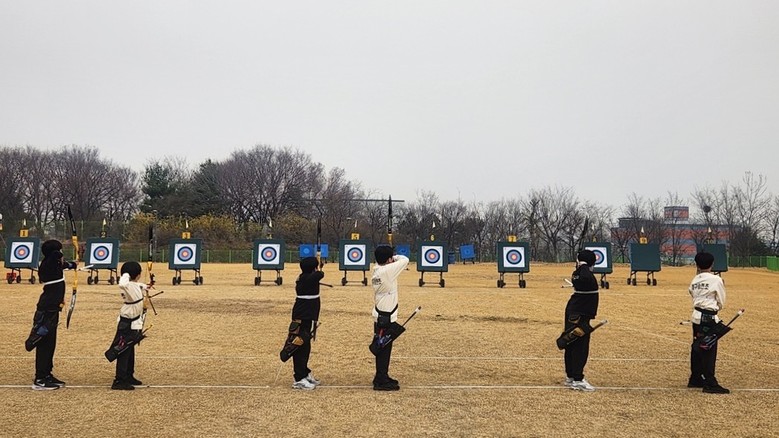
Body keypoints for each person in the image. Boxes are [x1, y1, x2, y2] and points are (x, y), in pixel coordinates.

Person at [25, 239, 77, 390]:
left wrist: (72, 265)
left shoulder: (53, 265)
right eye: (60, 251)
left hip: (52, 310)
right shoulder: (49, 263)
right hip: (47, 311)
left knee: (50, 344)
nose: (62, 254)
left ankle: (47, 374)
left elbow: (63, 264)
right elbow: (57, 258)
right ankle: (40, 379)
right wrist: (60, 253)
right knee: (44, 344)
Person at [688, 252, 729, 394]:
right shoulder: (716, 280)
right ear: (712, 264)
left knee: (697, 347)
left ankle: (695, 378)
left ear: (697, 265)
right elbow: (721, 300)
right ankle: (710, 382)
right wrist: (715, 308)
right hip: (709, 318)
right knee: (708, 349)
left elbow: (691, 293)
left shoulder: (695, 280)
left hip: (696, 317)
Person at [280, 257, 324, 390]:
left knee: (305, 345)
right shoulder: (307, 278)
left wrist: (317, 265)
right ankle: (298, 378)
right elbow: (320, 274)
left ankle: (304, 373)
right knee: (299, 345)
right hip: (302, 316)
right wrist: (318, 267)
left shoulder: (307, 277)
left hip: (307, 316)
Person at [369, 245, 409, 391]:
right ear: (388, 260)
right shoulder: (387, 271)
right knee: (383, 349)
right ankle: (381, 380)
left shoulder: (378, 269)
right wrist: (394, 257)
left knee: (383, 347)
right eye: (391, 258)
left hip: (382, 316)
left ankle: (382, 376)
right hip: (385, 318)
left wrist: (389, 257)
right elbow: (405, 260)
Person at [561, 249, 599, 392]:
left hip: (577, 312)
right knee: (579, 345)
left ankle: (571, 376)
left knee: (572, 343)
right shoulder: (583, 273)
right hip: (579, 314)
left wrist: (581, 264)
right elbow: (585, 276)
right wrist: (583, 264)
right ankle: (577, 379)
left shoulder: (578, 273)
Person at [107, 261, 147, 390]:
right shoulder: (126, 285)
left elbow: (135, 285)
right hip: (127, 324)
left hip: (132, 323)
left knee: (130, 349)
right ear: (138, 274)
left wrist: (144, 286)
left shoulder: (132, 285)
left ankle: (129, 375)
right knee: (123, 350)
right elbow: (123, 284)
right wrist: (126, 274)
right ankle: (119, 380)